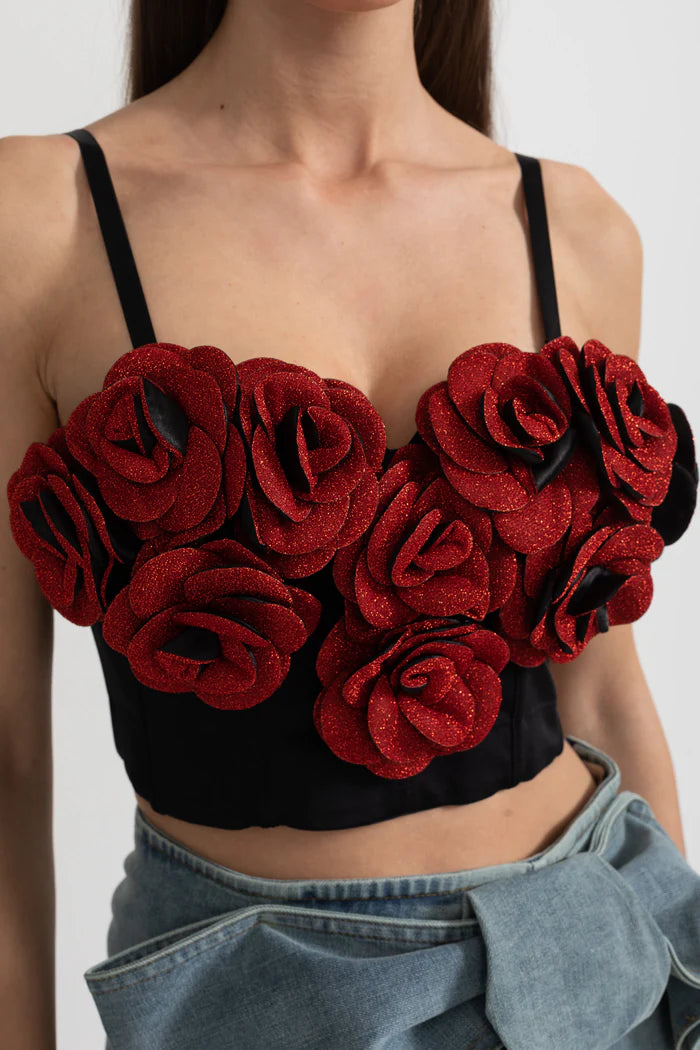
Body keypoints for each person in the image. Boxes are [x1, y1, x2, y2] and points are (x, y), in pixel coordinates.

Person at [2, 1, 699, 1048]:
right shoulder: (39, 216)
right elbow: (7, 753)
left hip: (598, 976)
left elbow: (601, 682)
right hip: (248, 1000)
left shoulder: (574, 225)